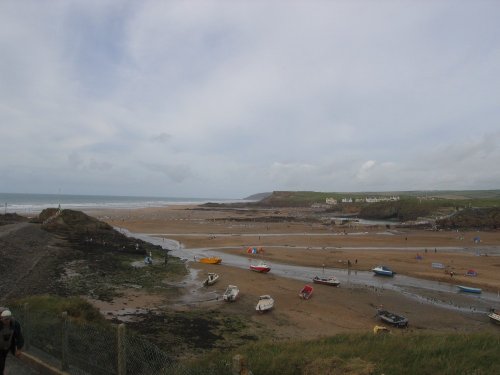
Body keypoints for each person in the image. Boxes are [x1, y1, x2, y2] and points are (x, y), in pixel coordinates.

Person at [0, 309, 24, 375]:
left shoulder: (14, 324)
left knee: (3, 361)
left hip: (6, 347)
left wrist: (19, 349)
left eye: (7, 319)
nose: (6, 321)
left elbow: (19, 336)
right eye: (4, 319)